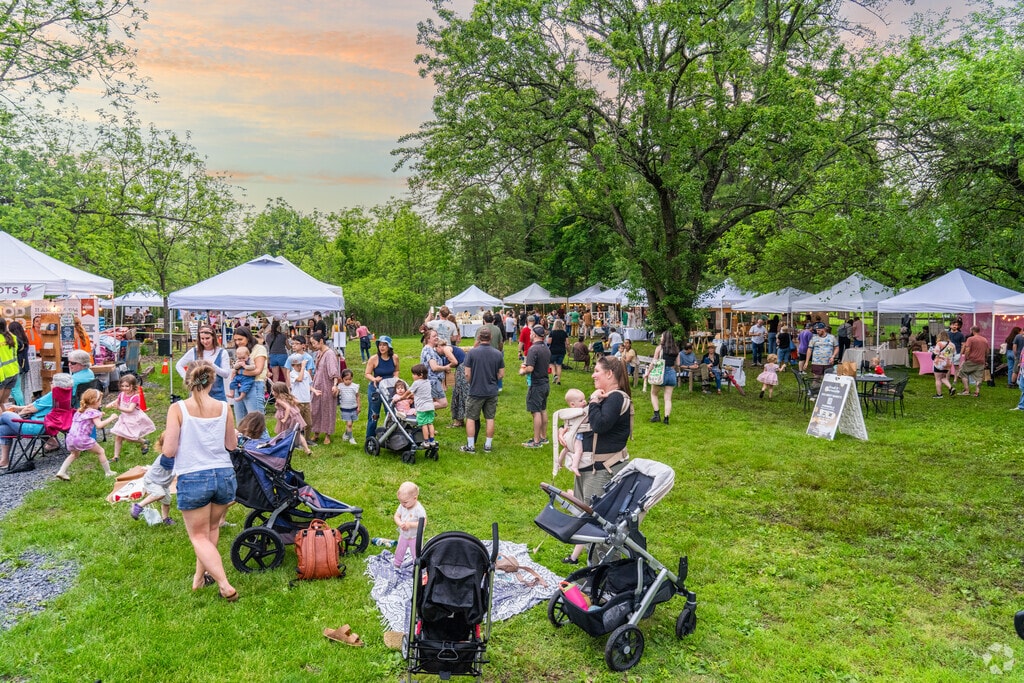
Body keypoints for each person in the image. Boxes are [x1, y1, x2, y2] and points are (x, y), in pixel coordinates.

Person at [161, 361, 238, 600]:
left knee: (198, 536)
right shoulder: (224, 407)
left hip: (194, 475)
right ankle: (199, 578)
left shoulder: (178, 409)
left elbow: (169, 450)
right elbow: (231, 445)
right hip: (224, 474)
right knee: (211, 529)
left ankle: (224, 584)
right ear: (212, 381)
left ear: (188, 381)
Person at [563, 355, 632, 564]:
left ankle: (604, 574)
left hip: (603, 471)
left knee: (600, 525)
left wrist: (593, 401)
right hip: (590, 468)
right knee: (587, 519)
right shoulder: (607, 398)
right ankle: (593, 570)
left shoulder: (616, 397)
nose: (593, 375)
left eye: (597, 371)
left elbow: (600, 425)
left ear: (609, 374)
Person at [0, 373, 73, 468]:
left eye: (52, 382)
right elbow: (34, 407)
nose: (50, 383)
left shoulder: (52, 395)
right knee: (2, 429)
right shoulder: (64, 395)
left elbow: (29, 409)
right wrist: (18, 408)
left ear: (57, 385)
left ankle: (5, 461)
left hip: (34, 427)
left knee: (5, 414)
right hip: (47, 426)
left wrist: (18, 415)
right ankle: (4, 461)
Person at [54, 388, 119, 480]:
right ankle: (108, 472)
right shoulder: (94, 413)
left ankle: (61, 471)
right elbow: (99, 425)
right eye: (100, 400)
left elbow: (88, 416)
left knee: (74, 455)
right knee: (101, 451)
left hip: (70, 438)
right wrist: (111, 418)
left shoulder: (80, 411)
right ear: (95, 401)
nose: (100, 403)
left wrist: (100, 414)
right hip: (82, 438)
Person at [460, 327, 504, 453]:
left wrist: (473, 382)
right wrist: (492, 379)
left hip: (476, 390)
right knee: (490, 418)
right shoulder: (498, 354)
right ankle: (488, 445)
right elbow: (501, 374)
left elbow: (467, 373)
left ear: (479, 338)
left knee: (471, 418)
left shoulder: (472, 353)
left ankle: (470, 446)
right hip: (491, 390)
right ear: (491, 337)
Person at [175, 325, 232, 402]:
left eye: (207, 338)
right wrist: (187, 378)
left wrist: (212, 366)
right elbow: (179, 365)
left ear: (213, 337)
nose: (205, 341)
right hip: (197, 395)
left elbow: (226, 374)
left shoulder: (222, 352)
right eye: (202, 338)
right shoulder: (194, 351)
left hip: (217, 395)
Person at [130, 433, 176, 526]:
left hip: (163, 484)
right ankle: (138, 506)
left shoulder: (175, 456)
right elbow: (179, 467)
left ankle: (165, 519)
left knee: (166, 502)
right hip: (152, 481)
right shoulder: (166, 458)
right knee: (159, 494)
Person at [107, 374, 156, 462]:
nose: (124, 388)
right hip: (124, 419)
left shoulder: (135, 397)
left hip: (133, 419)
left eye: (127, 386)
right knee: (118, 437)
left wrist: (118, 408)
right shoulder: (122, 394)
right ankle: (116, 457)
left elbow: (130, 410)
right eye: (122, 386)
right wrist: (111, 404)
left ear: (132, 386)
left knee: (129, 438)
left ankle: (143, 441)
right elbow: (117, 400)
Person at [229, 327, 268, 425]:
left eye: (240, 339)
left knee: (256, 423)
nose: (237, 342)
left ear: (248, 337)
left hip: (254, 384)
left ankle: (260, 437)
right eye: (235, 340)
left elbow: (257, 370)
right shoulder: (240, 350)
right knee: (241, 422)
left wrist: (239, 372)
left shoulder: (259, 349)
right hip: (239, 385)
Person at [365, 336, 400, 441]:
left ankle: (391, 437)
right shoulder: (374, 359)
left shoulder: (394, 358)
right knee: (374, 415)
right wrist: (374, 379)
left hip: (389, 388)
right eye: (380, 345)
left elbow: (396, 370)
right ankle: (370, 438)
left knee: (390, 413)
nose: (382, 347)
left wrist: (396, 378)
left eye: (384, 345)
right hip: (376, 389)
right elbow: (367, 373)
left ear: (389, 347)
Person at [522, 325, 551, 448]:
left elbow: (530, 368)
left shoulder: (533, 349)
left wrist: (522, 371)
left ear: (534, 335)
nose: (530, 335)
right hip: (545, 383)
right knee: (543, 409)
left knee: (536, 412)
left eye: (531, 333)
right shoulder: (546, 348)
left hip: (536, 384)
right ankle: (543, 437)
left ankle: (536, 441)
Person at [309, 332, 341, 445]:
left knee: (327, 409)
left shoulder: (330, 354)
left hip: (327, 385)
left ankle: (327, 434)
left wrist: (335, 385)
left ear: (321, 341)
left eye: (314, 343)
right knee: (315, 408)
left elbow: (334, 371)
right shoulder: (318, 353)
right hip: (317, 384)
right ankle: (316, 432)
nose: (313, 345)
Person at [553, 388, 588, 477]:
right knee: (579, 450)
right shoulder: (579, 413)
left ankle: (559, 462)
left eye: (584, 399)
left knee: (566, 449)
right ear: (572, 404)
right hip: (576, 436)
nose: (584, 402)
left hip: (567, 435)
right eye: (581, 401)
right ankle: (574, 466)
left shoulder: (568, 412)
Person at [270, 382, 312, 454]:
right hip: (294, 418)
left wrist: (285, 418)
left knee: (283, 433)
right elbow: (297, 402)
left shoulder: (279, 399)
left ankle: (281, 448)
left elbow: (288, 408)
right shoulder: (289, 397)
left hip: (287, 418)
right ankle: (307, 449)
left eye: (273, 391)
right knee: (298, 434)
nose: (272, 392)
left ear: (278, 391)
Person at [402, 364, 437, 448]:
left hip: (422, 408)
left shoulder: (416, 383)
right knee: (430, 423)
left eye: (414, 374)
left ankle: (426, 441)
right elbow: (419, 393)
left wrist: (402, 397)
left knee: (424, 424)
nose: (412, 376)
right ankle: (432, 440)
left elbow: (409, 391)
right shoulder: (427, 382)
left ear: (420, 375)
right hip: (430, 407)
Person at [648, 330, 679, 425]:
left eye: (661, 336)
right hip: (672, 373)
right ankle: (666, 418)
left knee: (654, 393)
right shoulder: (676, 349)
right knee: (668, 398)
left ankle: (656, 415)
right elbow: (678, 363)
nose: (660, 338)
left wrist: (648, 372)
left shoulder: (659, 348)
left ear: (664, 338)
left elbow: (654, 362)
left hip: (660, 373)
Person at [393, 481, 426, 568]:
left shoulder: (419, 509)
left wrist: (410, 525)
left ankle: (417, 567)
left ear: (415, 498)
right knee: (400, 550)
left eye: (405, 502)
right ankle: (397, 564)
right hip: (404, 535)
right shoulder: (402, 506)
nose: (402, 504)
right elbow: (396, 516)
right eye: (400, 501)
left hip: (415, 537)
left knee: (416, 553)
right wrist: (400, 523)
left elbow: (423, 522)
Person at [420, 329, 450, 410]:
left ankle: (424, 416)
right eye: (434, 336)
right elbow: (434, 367)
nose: (436, 337)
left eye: (437, 335)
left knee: (431, 401)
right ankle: (419, 409)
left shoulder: (431, 349)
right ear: (428, 339)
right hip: (433, 381)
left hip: (433, 381)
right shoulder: (428, 350)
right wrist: (446, 367)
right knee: (443, 403)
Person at [288, 353, 314, 445]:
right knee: (297, 424)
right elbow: (299, 379)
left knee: (309, 423)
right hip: (297, 402)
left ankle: (307, 439)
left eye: (300, 365)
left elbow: (308, 385)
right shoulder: (292, 374)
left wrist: (314, 390)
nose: (299, 367)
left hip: (306, 401)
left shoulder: (306, 373)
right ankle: (296, 441)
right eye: (297, 365)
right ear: (292, 366)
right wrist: (303, 368)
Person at [958, 325, 989, 397]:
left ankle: (966, 390)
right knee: (979, 377)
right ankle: (977, 392)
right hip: (981, 360)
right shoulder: (984, 340)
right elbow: (987, 351)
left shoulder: (970, 339)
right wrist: (985, 359)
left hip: (971, 359)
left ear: (972, 331)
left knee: (962, 372)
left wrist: (966, 358)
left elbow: (967, 350)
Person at [805, 323, 838, 387]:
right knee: (816, 377)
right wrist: (806, 362)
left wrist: (833, 356)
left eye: (819, 330)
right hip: (816, 362)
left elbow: (836, 347)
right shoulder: (814, 338)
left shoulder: (832, 337)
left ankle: (826, 390)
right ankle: (814, 390)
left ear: (824, 329)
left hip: (828, 362)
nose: (817, 332)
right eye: (816, 330)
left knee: (828, 378)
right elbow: (809, 350)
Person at [7, 320, 29, 405]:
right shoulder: (24, 339)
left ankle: (21, 406)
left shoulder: (16, 340)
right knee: (17, 388)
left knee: (15, 389)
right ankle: (20, 405)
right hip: (22, 366)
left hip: (16, 366)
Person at [336, 368, 360, 445]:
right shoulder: (340, 386)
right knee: (349, 424)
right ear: (342, 379)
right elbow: (336, 394)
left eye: (350, 379)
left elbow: (357, 396)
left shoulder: (355, 386)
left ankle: (346, 434)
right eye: (346, 379)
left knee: (350, 423)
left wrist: (359, 406)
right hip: (345, 408)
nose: (348, 381)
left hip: (353, 408)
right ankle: (351, 438)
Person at [264, 320, 290, 387]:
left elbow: (268, 345)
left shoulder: (268, 336)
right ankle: (288, 391)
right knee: (286, 376)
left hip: (272, 356)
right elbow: (288, 347)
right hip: (282, 355)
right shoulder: (283, 336)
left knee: (275, 377)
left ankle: (274, 391)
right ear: (278, 327)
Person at [0, 318, 19, 408]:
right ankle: (8, 416)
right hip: (13, 371)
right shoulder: (12, 337)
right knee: (4, 401)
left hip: (2, 374)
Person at [931, 331, 956, 398]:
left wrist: (933, 358)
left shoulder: (939, 343)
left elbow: (935, 353)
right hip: (947, 363)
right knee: (943, 377)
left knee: (938, 379)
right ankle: (951, 388)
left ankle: (939, 394)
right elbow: (952, 354)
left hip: (939, 363)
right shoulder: (952, 345)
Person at [547, 319, 568, 386]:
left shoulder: (552, 332)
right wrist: (569, 351)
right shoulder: (564, 333)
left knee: (551, 363)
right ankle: (558, 381)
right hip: (562, 350)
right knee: (559, 365)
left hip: (553, 350)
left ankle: (554, 375)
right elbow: (567, 343)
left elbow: (549, 342)